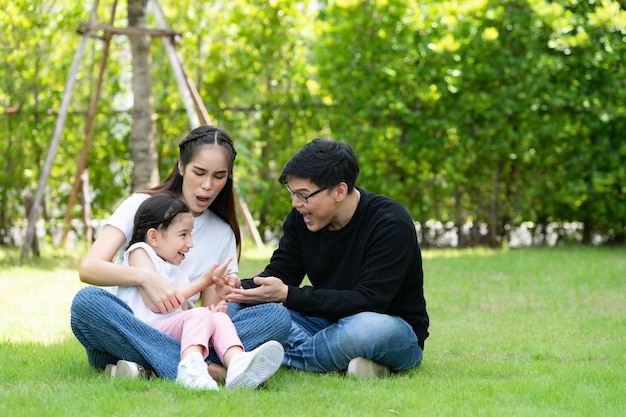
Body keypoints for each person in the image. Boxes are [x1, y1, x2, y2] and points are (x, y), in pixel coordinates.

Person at [70, 125, 292, 382]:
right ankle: (210, 369)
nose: (207, 186)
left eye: (219, 176)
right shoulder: (141, 206)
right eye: (199, 173)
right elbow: (89, 268)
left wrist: (221, 297)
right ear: (181, 166)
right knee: (87, 303)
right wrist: (145, 278)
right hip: (131, 324)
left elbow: (208, 311)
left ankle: (154, 364)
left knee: (276, 317)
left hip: (183, 329)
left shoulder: (223, 233)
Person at [218, 138, 429, 378]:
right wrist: (241, 288)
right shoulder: (302, 217)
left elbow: (370, 300)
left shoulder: (390, 223)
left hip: (390, 329)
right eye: (293, 193)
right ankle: (346, 362)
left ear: (339, 190)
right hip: (319, 324)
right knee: (234, 307)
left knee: (364, 329)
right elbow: (282, 272)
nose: (296, 203)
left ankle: (274, 358)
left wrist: (288, 294)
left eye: (304, 195)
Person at [117, 192, 283, 390]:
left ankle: (237, 362)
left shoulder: (177, 273)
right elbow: (157, 303)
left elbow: (183, 315)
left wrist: (211, 320)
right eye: (183, 235)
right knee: (201, 314)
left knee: (220, 319)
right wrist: (203, 283)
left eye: (190, 235)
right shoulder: (139, 252)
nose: (190, 243)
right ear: (154, 236)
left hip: (169, 334)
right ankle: (191, 368)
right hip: (146, 332)